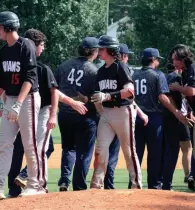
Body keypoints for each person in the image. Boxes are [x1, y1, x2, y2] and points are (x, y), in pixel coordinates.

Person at [0, 11, 45, 199]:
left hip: (27, 99)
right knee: (4, 144)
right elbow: (3, 82)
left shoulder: (26, 46)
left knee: (29, 144)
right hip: (10, 99)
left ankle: (35, 184)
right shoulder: (4, 50)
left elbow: (30, 78)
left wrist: (18, 104)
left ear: (9, 27)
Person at [54, 37, 120, 191]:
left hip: (64, 113)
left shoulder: (64, 65)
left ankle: (64, 180)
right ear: (95, 52)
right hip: (85, 115)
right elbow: (97, 97)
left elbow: (54, 89)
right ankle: (79, 186)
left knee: (68, 148)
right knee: (84, 153)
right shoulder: (94, 71)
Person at [6, 28, 59, 196]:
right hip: (25, 111)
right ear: (33, 46)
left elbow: (55, 92)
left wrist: (52, 114)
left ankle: (36, 182)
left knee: (39, 147)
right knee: (35, 148)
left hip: (40, 111)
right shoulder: (35, 68)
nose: (43, 48)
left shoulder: (42, 69)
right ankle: (32, 183)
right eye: (41, 45)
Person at [89, 35, 142, 189]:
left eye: (102, 48)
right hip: (106, 113)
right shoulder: (100, 72)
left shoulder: (120, 67)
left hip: (123, 112)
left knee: (128, 150)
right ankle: (96, 185)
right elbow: (98, 96)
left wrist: (108, 96)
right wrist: (100, 106)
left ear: (110, 50)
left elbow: (130, 91)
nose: (99, 51)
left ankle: (136, 184)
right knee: (100, 150)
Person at [131, 48, 185, 189]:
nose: (159, 61)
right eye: (157, 59)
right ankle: (154, 185)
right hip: (154, 118)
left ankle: (134, 183)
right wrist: (175, 111)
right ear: (153, 60)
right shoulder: (157, 74)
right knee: (154, 153)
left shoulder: (134, 74)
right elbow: (162, 96)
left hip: (136, 117)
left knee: (137, 153)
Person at [168, 44, 195, 190]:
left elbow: (192, 91)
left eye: (175, 59)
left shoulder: (192, 68)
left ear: (183, 59)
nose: (173, 61)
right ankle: (194, 175)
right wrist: (190, 112)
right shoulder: (185, 72)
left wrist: (177, 88)